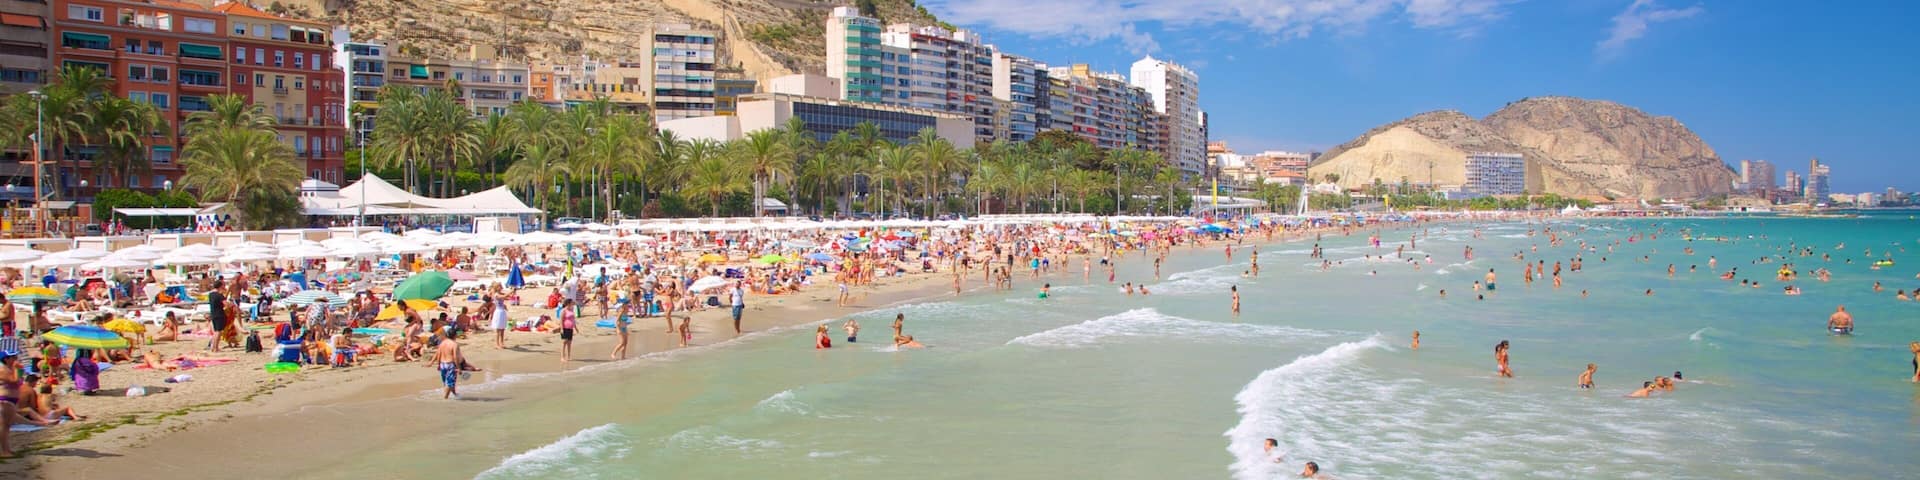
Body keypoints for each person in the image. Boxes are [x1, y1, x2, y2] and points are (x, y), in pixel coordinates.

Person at [432, 331, 464, 400]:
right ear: (455, 336)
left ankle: (454, 394)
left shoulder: (442, 343)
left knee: (446, 382)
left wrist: (438, 364)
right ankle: (445, 398)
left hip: (442, 364)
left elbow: (438, 354)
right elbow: (455, 357)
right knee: (450, 382)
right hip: (450, 364)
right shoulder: (454, 344)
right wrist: (458, 368)